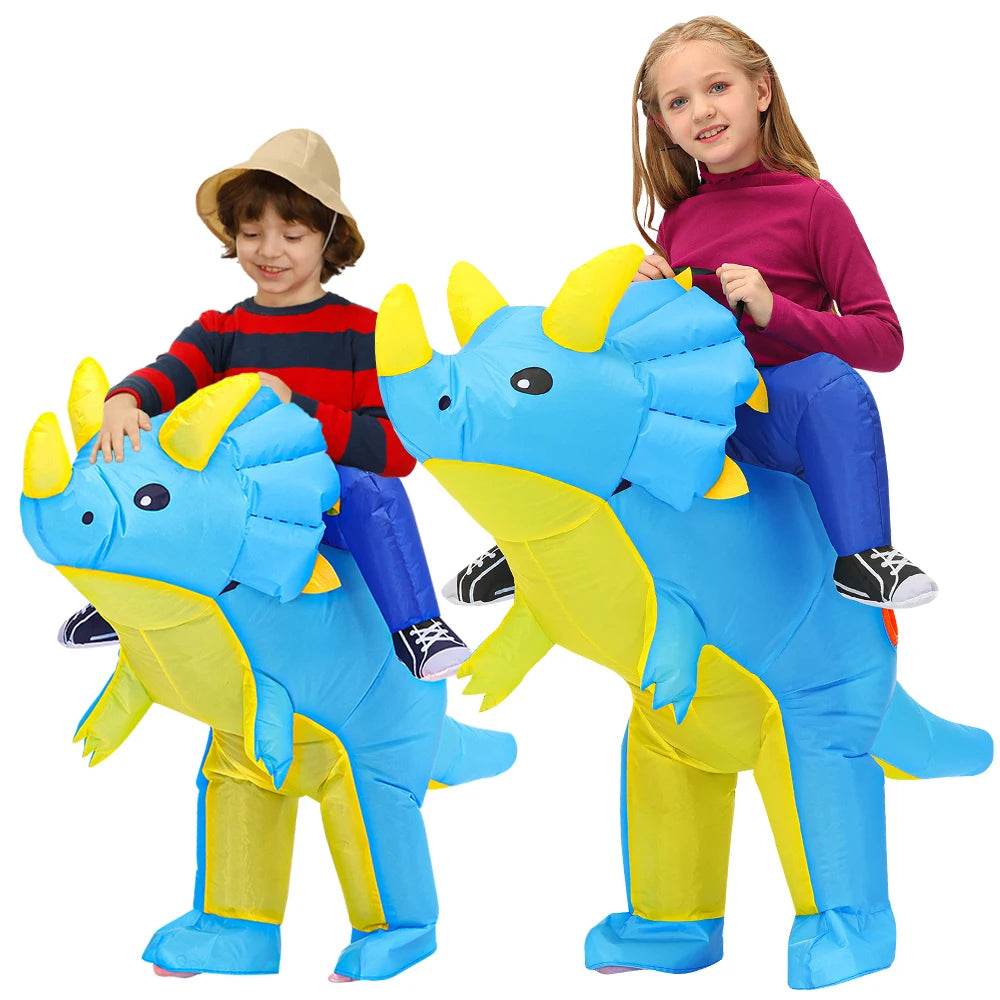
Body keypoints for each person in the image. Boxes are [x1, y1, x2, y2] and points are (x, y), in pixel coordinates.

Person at [445, 15, 936, 611]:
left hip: (777, 416)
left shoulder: (813, 203)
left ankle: (864, 556)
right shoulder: (679, 221)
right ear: (663, 124)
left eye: (718, 87)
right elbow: (668, 351)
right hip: (700, 420)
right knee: (583, 383)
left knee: (827, 382)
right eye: (679, 101)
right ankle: (531, 544)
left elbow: (884, 341)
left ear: (761, 90)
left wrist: (775, 311)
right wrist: (644, 300)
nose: (701, 110)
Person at [58, 129, 469, 679]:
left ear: (327, 235)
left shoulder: (363, 334)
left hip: (325, 508)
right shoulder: (220, 332)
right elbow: (167, 374)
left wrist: (297, 406)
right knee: (143, 460)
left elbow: (395, 452)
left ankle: (416, 625)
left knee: (371, 485)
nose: (269, 251)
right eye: (252, 233)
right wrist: (124, 399)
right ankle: (127, 599)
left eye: (292, 235)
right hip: (236, 507)